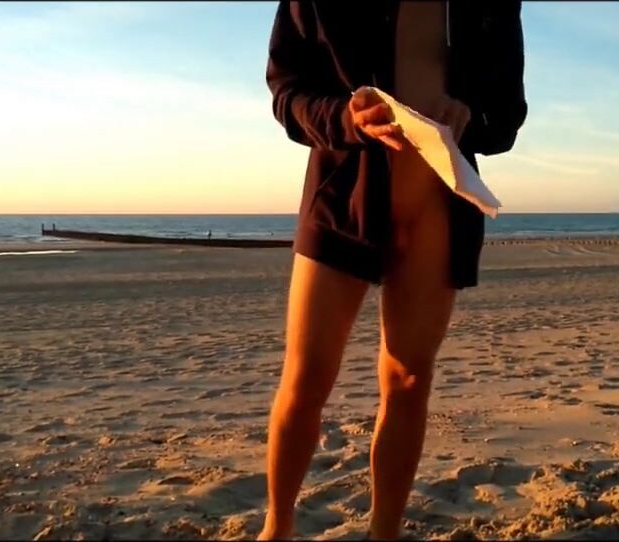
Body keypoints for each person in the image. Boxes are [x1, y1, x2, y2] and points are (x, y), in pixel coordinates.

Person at [260, 2, 527, 539]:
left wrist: (470, 115)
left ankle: (385, 531)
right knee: (307, 376)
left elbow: (507, 115)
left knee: (408, 378)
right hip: (342, 201)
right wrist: (346, 119)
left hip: (438, 207)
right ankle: (277, 526)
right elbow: (287, 94)